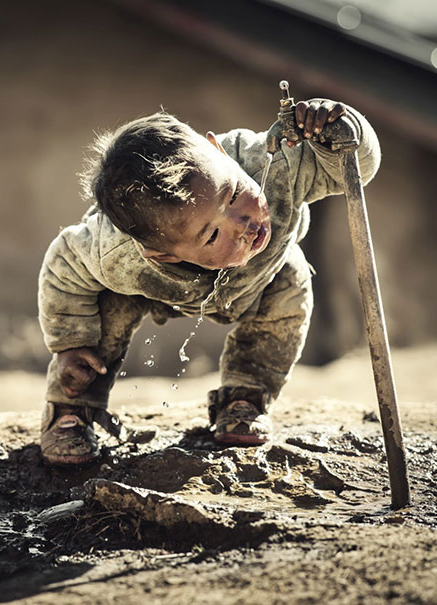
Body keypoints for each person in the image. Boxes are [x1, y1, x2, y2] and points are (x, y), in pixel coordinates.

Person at [37, 98, 380, 465]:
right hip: (153, 289)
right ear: (163, 254)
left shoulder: (275, 162)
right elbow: (65, 262)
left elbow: (354, 170)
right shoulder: (116, 252)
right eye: (213, 236)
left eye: (233, 193)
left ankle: (245, 397)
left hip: (261, 277)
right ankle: (71, 410)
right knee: (106, 312)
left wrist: (338, 131)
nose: (244, 225)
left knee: (289, 284)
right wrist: (70, 344)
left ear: (218, 150)